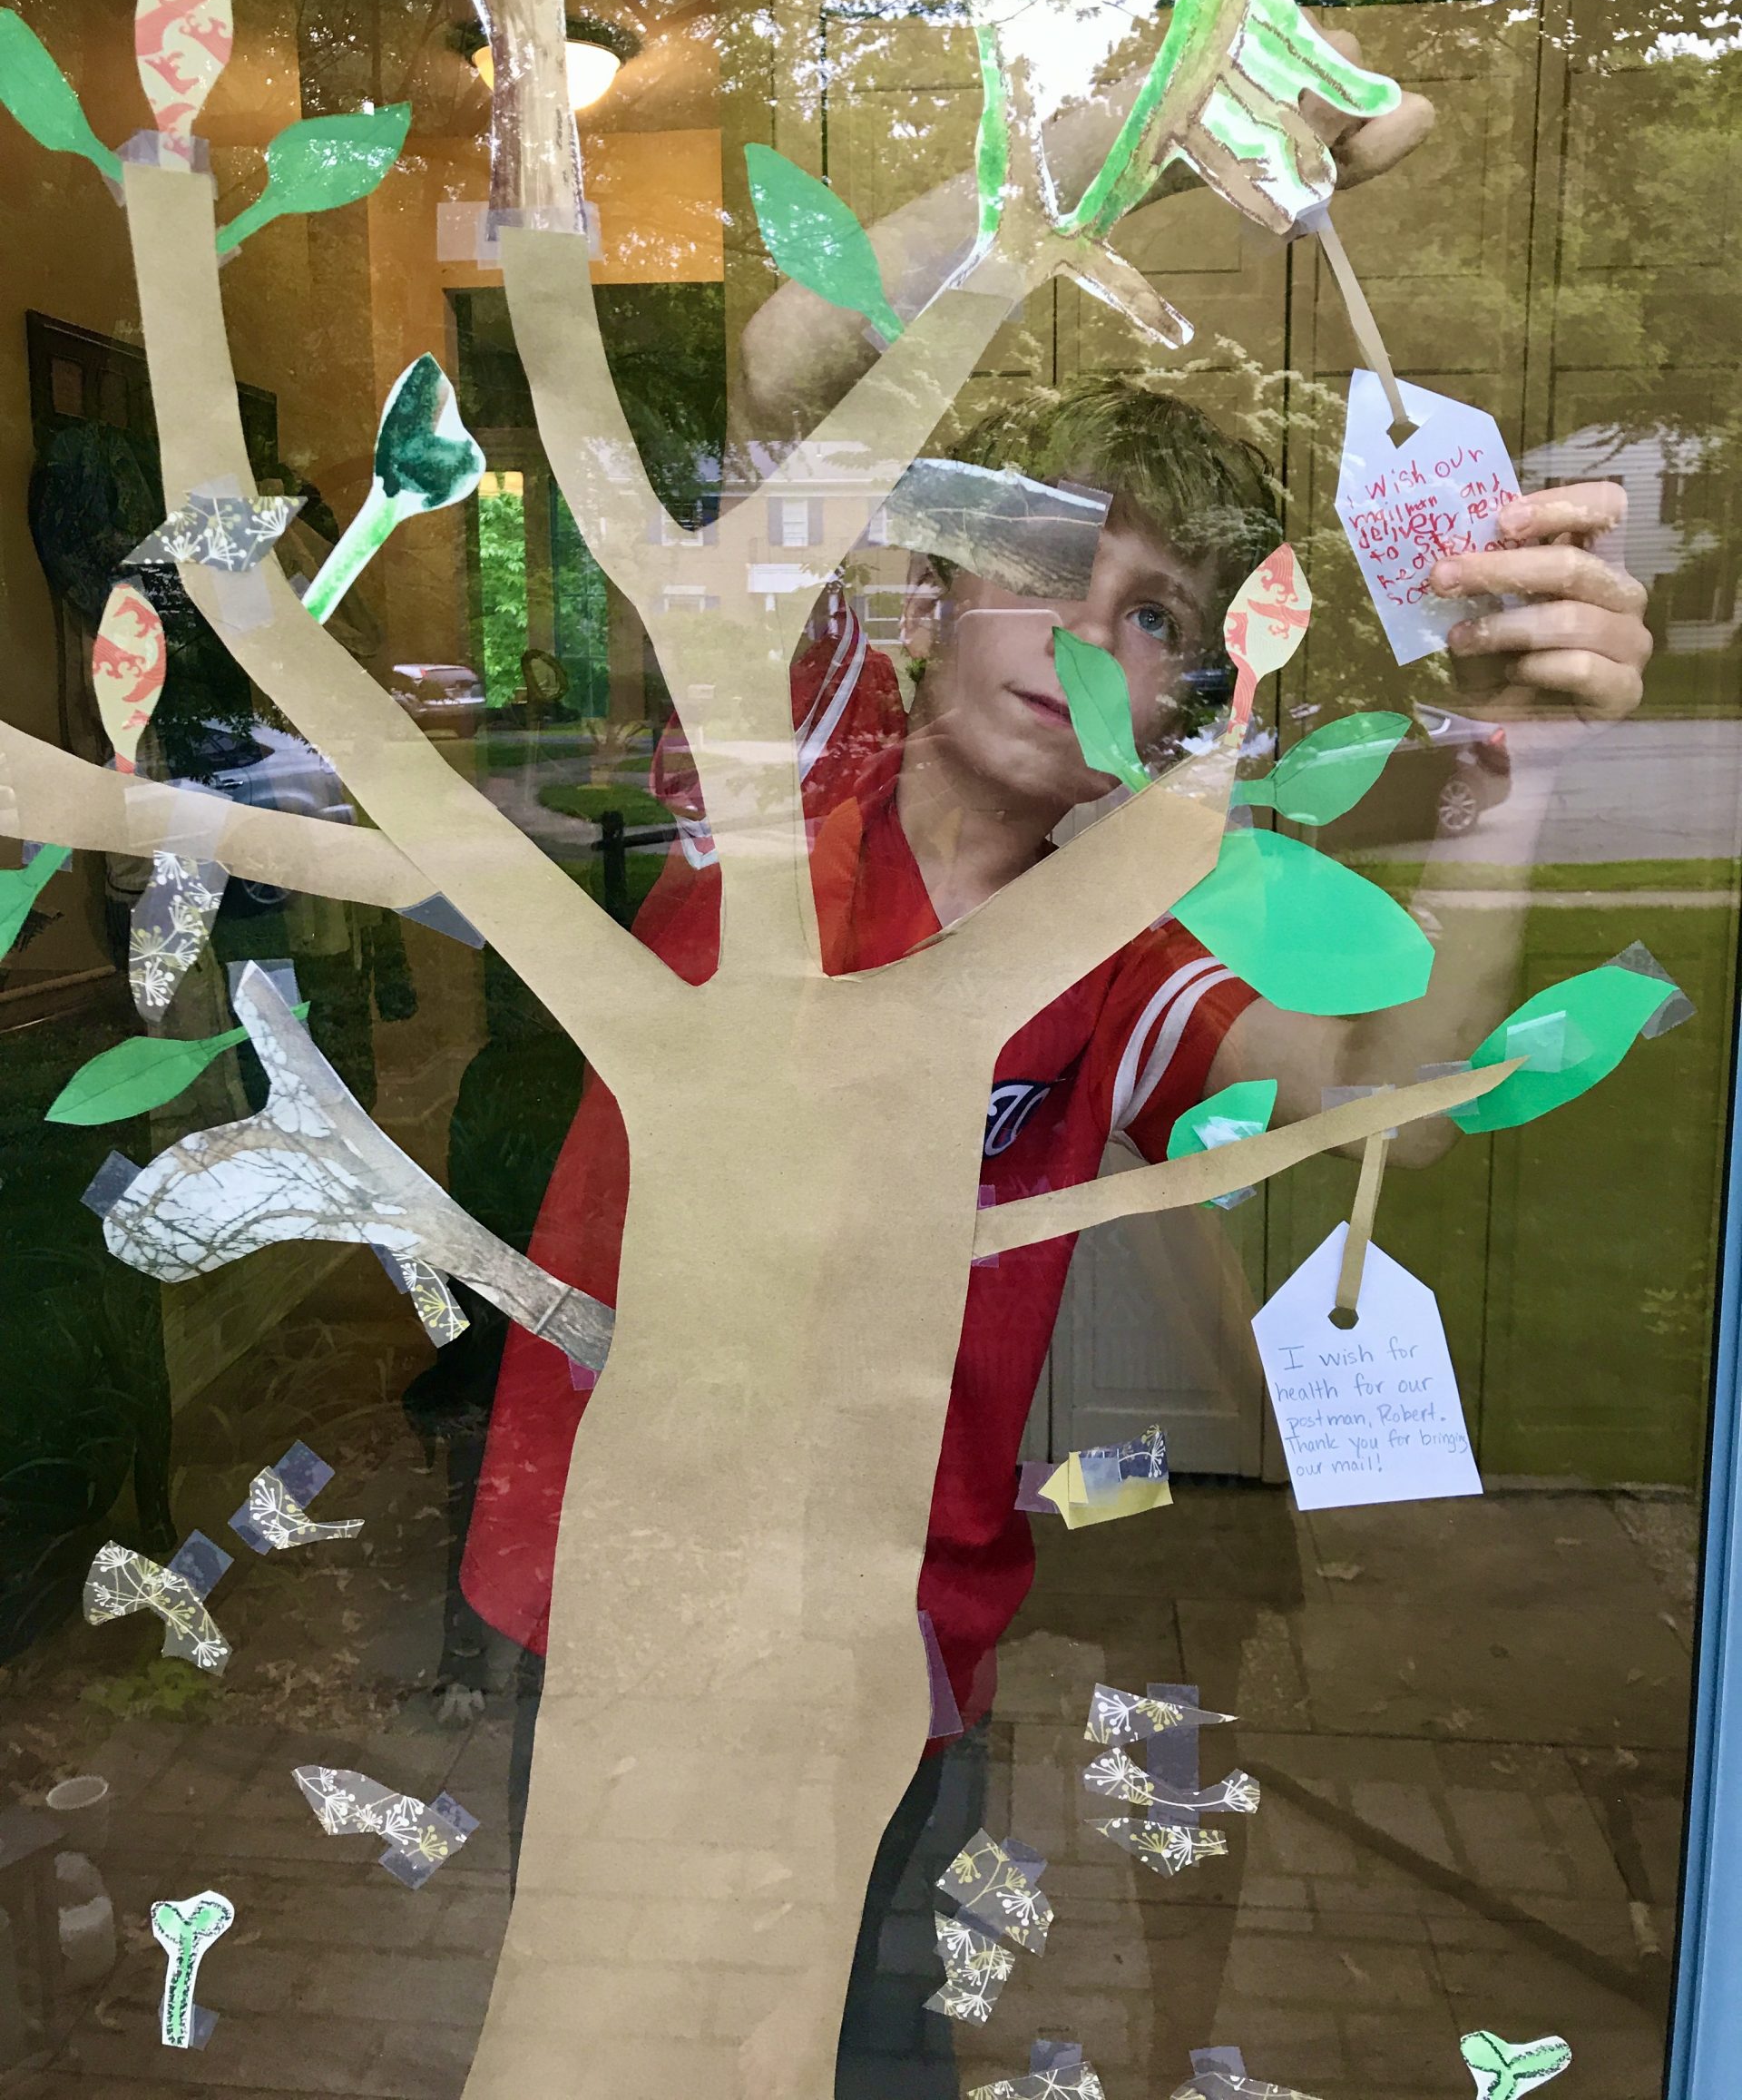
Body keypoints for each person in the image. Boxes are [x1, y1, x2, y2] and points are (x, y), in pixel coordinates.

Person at [460, 368, 1649, 2092]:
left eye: (1154, 616)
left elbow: (1372, 1083)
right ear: (936, 589)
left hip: (898, 1623)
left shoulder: (1120, 948)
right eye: (1048, 563)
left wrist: (1509, 774)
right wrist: (1176, 112)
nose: (1082, 633)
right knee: (617, 2020)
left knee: (868, 2047)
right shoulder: (790, 776)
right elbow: (799, 361)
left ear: (1179, 702)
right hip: (619, 1583)